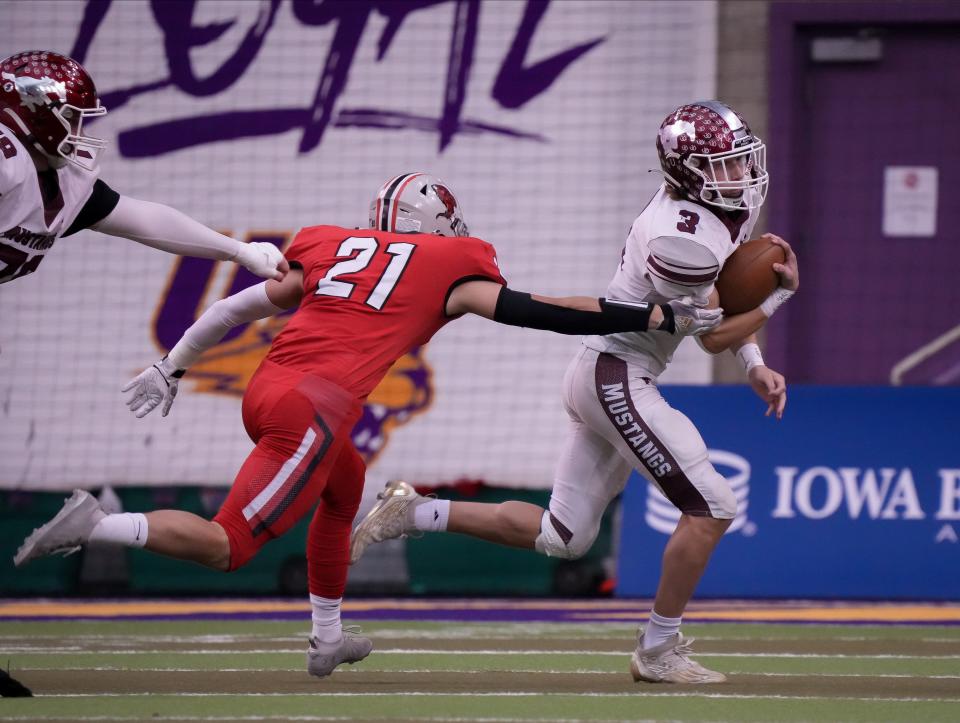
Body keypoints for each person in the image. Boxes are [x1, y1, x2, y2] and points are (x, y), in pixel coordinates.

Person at [13, 171, 722, 678]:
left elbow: (236, 309)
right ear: (436, 228)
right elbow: (544, 311)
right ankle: (95, 524)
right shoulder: (451, 264)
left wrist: (172, 367)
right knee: (228, 545)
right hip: (313, 409)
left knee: (344, 482)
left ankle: (328, 637)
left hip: (269, 391)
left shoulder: (329, 247)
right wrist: (649, 315)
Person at [349, 102, 800, 684]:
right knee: (712, 506)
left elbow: (721, 311)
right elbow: (713, 335)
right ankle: (659, 650)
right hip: (617, 371)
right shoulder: (681, 239)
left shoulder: (704, 214)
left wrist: (756, 360)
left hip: (606, 371)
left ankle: (415, 511)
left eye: (740, 163)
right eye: (726, 166)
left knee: (562, 536)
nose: (741, 176)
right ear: (689, 171)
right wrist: (775, 301)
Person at [0, 50, 285, 285]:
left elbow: (143, 220)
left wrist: (240, 252)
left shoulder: (60, 178)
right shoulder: (7, 162)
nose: (78, 130)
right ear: (34, 113)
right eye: (72, 117)